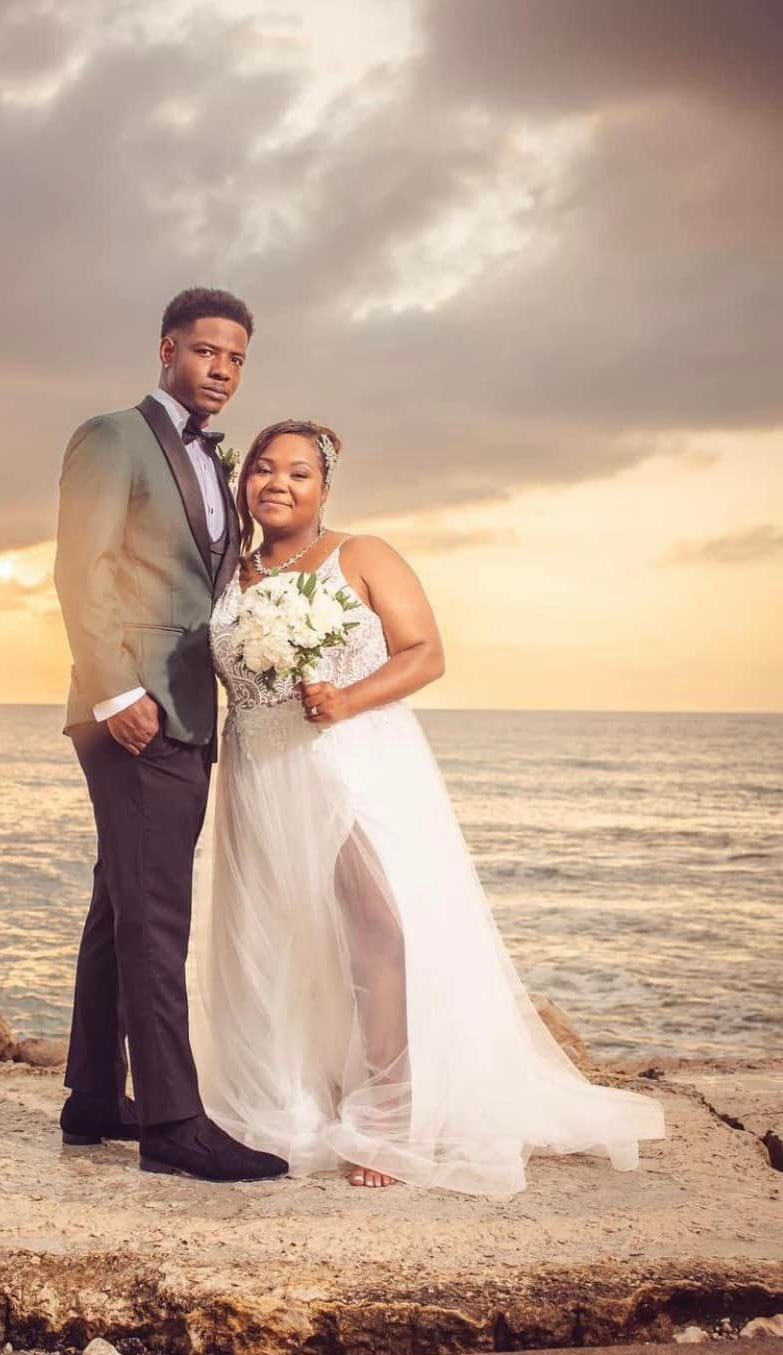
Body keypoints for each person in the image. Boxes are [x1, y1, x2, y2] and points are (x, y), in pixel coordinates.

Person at [190, 420, 666, 1195]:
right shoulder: (227, 574)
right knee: (269, 937)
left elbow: (426, 653)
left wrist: (346, 696)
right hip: (255, 767)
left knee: (376, 927)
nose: (276, 483)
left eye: (298, 473)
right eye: (265, 470)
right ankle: (287, 1098)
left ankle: (389, 1116)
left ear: (324, 487)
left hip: (343, 760)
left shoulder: (362, 555)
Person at [52, 288, 288, 1182]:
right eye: (205, 352)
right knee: (157, 916)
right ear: (166, 350)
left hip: (189, 706)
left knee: (121, 901)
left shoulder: (214, 463)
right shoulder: (113, 436)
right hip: (135, 711)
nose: (221, 369)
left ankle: (93, 1097)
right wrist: (116, 690)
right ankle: (175, 1123)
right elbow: (82, 570)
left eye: (235, 358)